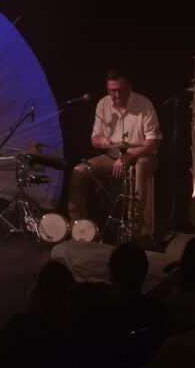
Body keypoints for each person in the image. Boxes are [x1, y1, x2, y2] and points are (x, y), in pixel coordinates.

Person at [68, 68, 162, 241]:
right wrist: (102, 141)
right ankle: (78, 224)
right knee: (79, 171)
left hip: (142, 156)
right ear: (107, 89)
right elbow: (94, 139)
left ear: (129, 87)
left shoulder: (144, 104)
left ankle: (132, 227)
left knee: (139, 169)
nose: (117, 95)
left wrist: (129, 156)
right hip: (112, 156)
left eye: (121, 90)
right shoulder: (103, 104)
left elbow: (153, 142)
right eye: (112, 91)